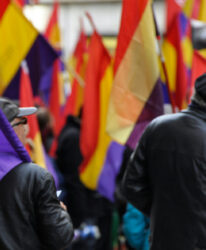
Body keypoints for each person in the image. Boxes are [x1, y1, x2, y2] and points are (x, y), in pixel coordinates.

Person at [0, 98, 74, 250]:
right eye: (22, 121)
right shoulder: (36, 176)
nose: (27, 128)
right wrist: (60, 213)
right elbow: (61, 237)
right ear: (9, 131)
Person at [121, 73, 206, 249]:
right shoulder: (157, 127)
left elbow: (131, 187)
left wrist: (165, 214)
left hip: (162, 240)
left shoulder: (156, 126)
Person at [56, 114, 113, 250]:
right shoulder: (75, 137)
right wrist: (80, 215)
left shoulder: (72, 133)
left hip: (85, 206)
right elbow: (74, 179)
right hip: (83, 210)